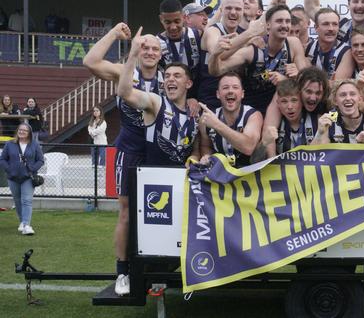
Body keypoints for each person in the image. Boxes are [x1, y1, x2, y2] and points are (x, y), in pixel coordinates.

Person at [83, 22, 164, 296]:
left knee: (160, 212)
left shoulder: (170, 78)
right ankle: (122, 272)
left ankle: (156, 266)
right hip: (129, 150)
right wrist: (114, 35)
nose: (150, 51)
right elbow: (90, 61)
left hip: (158, 152)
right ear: (138, 50)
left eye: (155, 48)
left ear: (162, 53)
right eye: (145, 47)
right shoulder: (124, 71)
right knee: (127, 212)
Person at [119, 28, 198, 168]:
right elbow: (125, 93)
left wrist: (195, 157)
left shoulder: (196, 112)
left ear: (188, 83)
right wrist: (132, 54)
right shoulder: (156, 102)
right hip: (154, 177)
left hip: (182, 177)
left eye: (177, 76)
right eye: (167, 76)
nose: (170, 80)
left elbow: (198, 147)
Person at [210, 4, 308, 113]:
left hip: (281, 109)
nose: (284, 25)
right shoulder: (253, 49)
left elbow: (306, 82)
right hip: (252, 111)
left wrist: (287, 80)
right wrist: (214, 55)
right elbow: (217, 70)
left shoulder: (294, 44)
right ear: (268, 25)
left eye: (287, 21)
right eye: (279, 21)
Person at [197, 72, 262, 168]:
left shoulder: (253, 115)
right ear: (218, 94)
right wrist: (207, 156)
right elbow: (206, 146)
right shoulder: (207, 118)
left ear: (242, 94)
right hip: (219, 174)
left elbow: (249, 147)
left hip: (248, 174)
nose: (230, 91)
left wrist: (217, 125)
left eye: (235, 87)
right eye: (225, 88)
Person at [0, 123, 44, 235]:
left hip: (28, 177)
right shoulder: (10, 144)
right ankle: (22, 221)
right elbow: (3, 159)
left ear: (29, 133)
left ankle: (26, 225)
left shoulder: (34, 144)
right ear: (17, 131)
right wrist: (9, 169)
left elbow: (40, 160)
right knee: (18, 201)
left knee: (27, 200)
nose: (22, 132)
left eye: (25, 130)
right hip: (13, 177)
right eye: (20, 129)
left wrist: (33, 168)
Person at [304, 8, 354, 79]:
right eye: (326, 24)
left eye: (335, 24)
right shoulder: (309, 47)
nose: (331, 28)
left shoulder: (346, 51)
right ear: (316, 28)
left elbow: (337, 85)